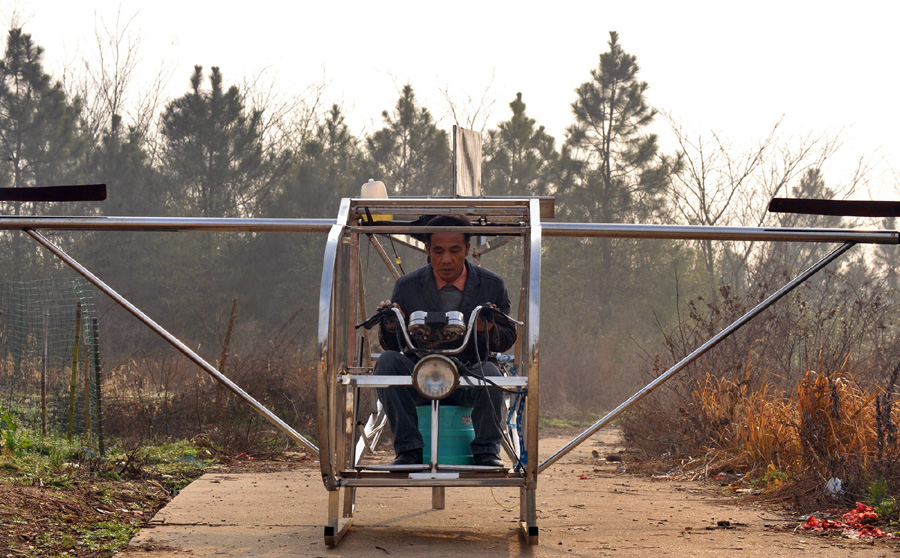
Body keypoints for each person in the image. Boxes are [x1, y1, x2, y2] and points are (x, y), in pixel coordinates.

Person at [374, 214, 517, 467]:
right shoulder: (407, 286)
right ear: (427, 250)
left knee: (491, 372)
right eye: (438, 251)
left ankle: (486, 452)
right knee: (387, 363)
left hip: (469, 377)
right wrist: (391, 325)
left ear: (467, 249)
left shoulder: (491, 284)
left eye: (455, 250)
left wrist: (488, 329)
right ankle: (408, 450)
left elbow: (507, 338)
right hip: (420, 377)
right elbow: (394, 345)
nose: (446, 259)